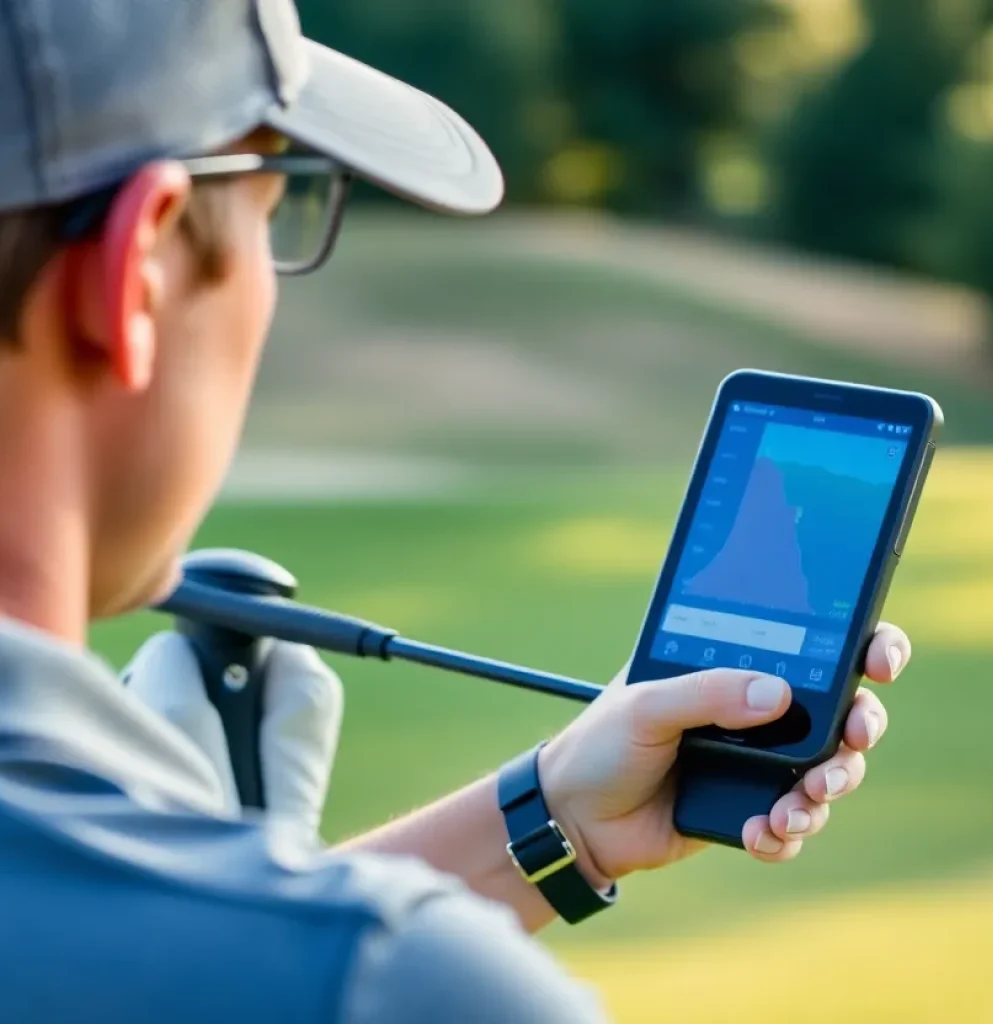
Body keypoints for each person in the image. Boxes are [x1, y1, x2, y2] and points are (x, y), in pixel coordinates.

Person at [0, 0, 911, 1020]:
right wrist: (347, 952)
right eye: (273, 215)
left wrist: (556, 813)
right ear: (136, 274)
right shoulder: (405, 988)